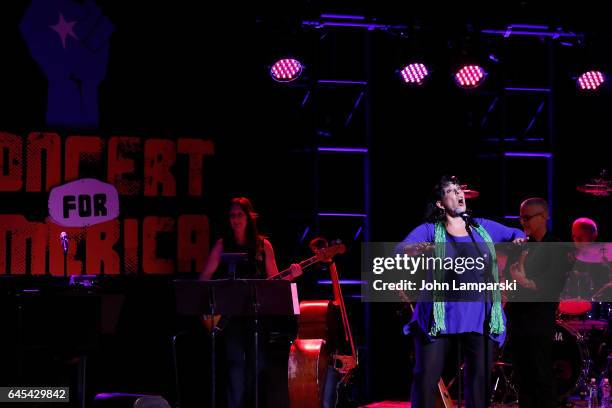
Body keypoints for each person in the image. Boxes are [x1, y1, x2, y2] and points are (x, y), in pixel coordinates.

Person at [398, 175, 524, 408]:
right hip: (440, 314)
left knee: (479, 381)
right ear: (439, 204)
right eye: (451, 191)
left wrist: (518, 239)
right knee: (426, 377)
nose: (459, 194)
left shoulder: (481, 227)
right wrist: (417, 249)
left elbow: (515, 233)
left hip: (477, 314)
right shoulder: (429, 230)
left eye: (459, 190)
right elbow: (401, 250)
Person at [200, 197, 301, 408]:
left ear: (249, 217)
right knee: (234, 368)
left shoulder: (263, 246)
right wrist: (213, 302)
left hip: (257, 317)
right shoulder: (222, 245)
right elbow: (204, 279)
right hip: (230, 319)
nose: (235, 219)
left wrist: (291, 275)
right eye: (232, 215)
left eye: (239, 215)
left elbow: (274, 280)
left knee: (257, 368)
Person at [506, 197, 572, 408]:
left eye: (527, 217)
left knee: (540, 375)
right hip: (518, 319)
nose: (523, 222)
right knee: (522, 378)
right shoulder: (521, 245)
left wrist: (524, 281)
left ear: (544, 217)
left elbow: (552, 285)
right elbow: (510, 277)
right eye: (521, 217)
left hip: (539, 320)